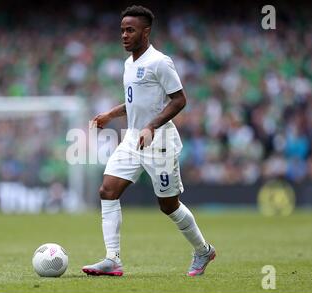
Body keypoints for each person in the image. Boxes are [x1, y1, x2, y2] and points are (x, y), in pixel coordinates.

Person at [82, 5, 215, 277]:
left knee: (168, 206)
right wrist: (111, 114)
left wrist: (152, 126)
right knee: (107, 191)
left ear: (146, 32)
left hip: (160, 142)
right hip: (133, 138)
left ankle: (203, 250)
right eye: (122, 30)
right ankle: (112, 259)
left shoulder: (160, 62)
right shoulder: (128, 64)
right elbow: (136, 102)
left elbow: (179, 100)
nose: (124, 35)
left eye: (130, 30)